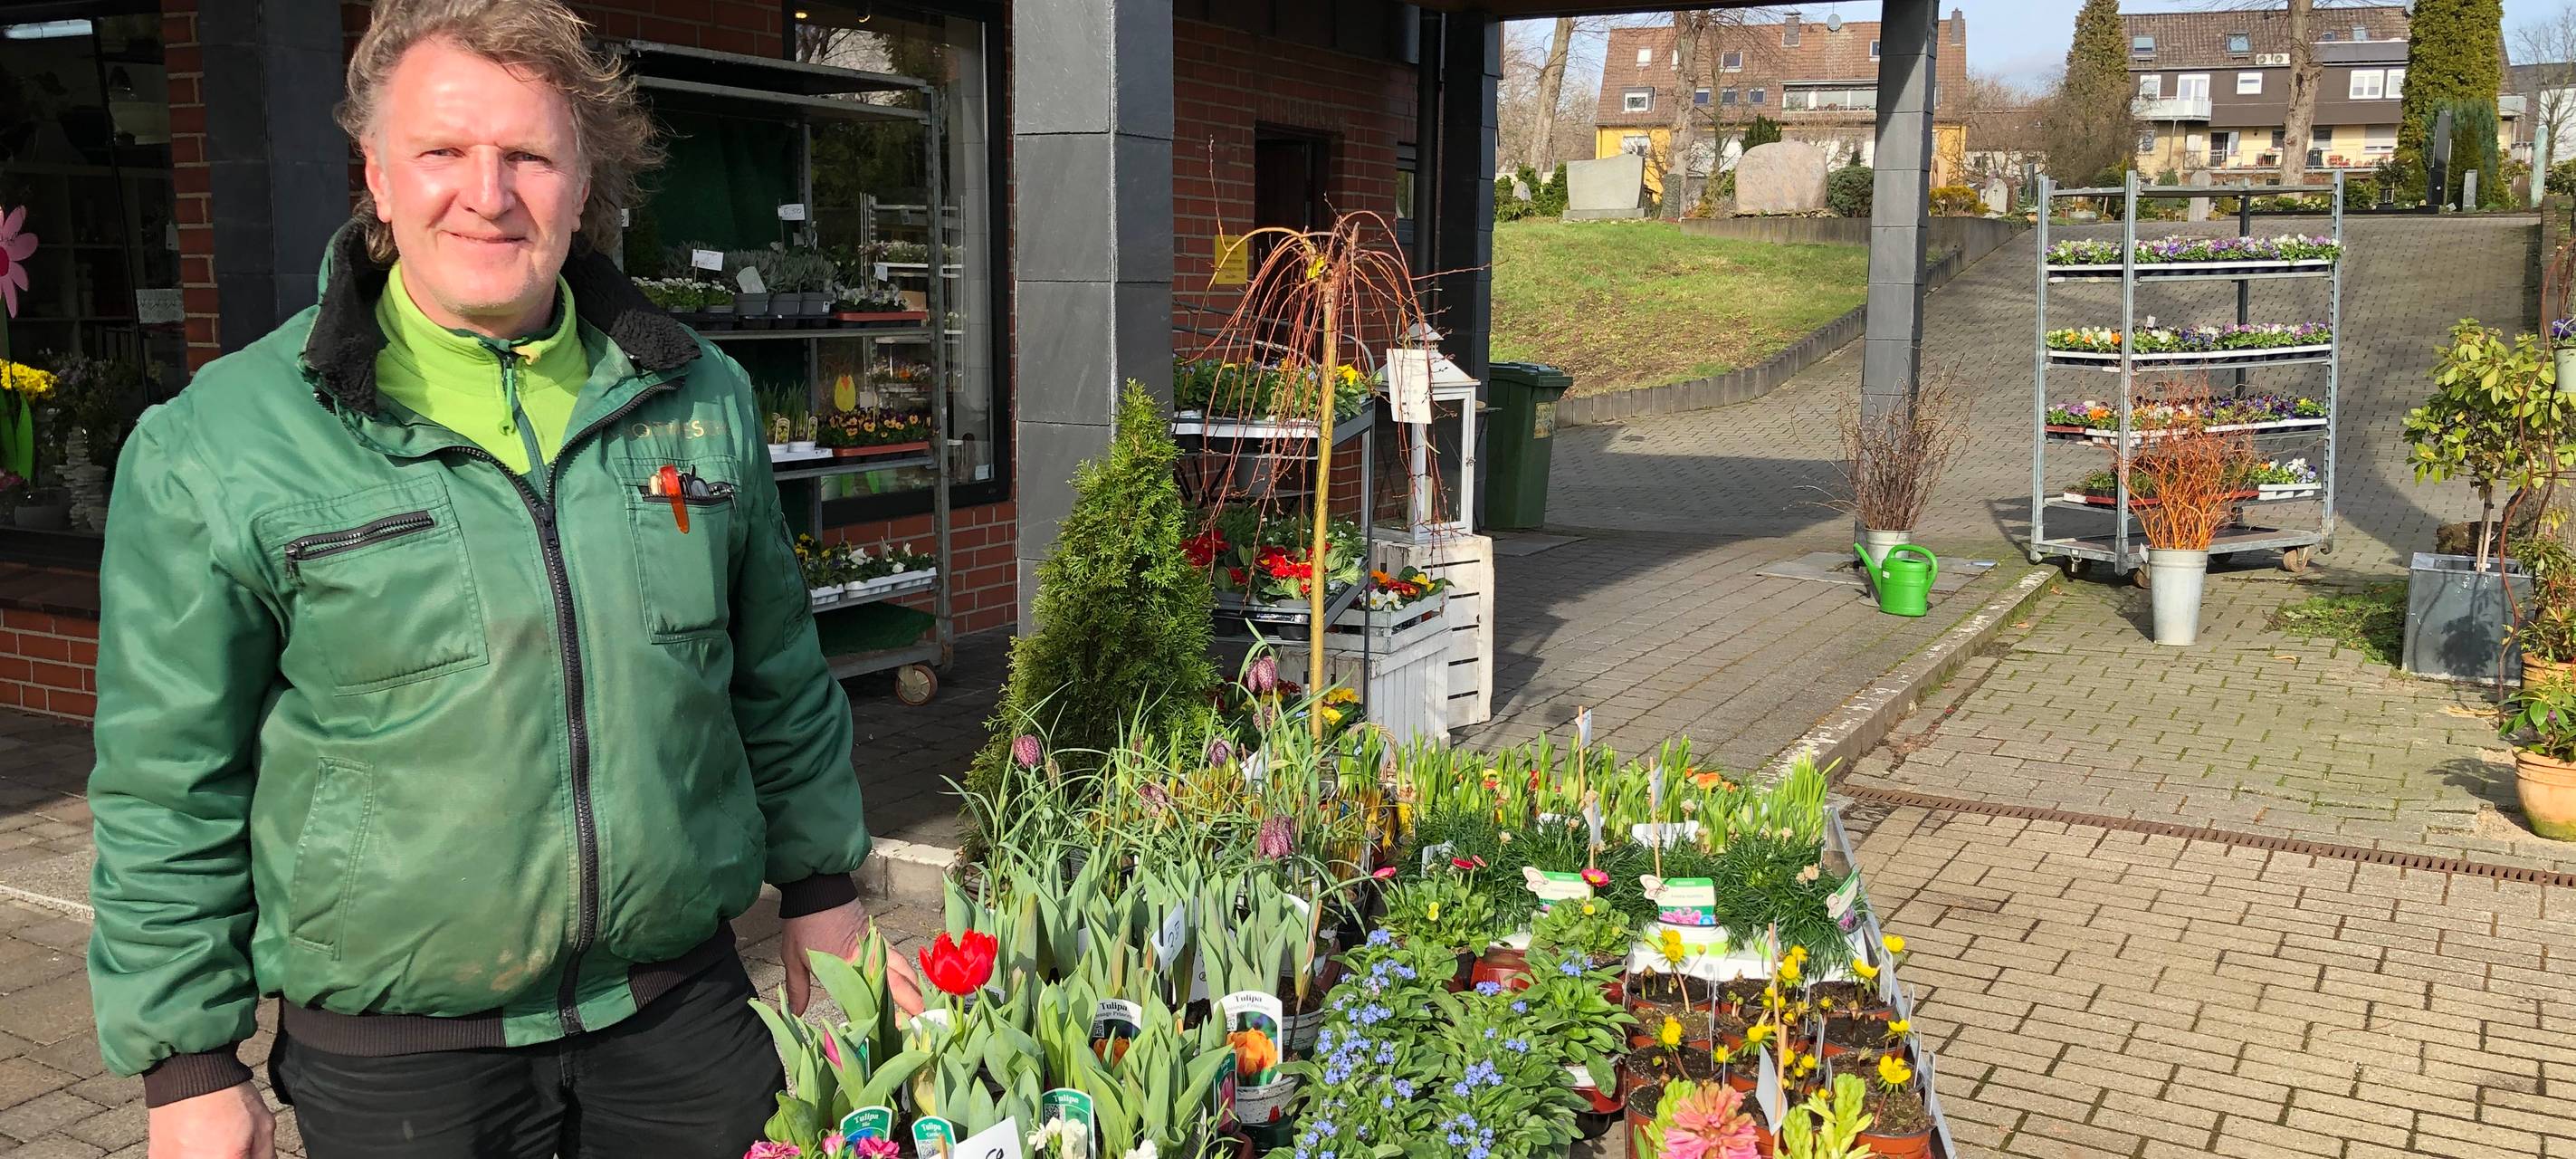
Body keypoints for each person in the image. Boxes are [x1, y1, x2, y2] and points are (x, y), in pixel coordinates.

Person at [85, 2, 920, 1154]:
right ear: (378, 176)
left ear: (585, 186)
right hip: (400, 1062)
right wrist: (187, 1062)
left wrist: (824, 888)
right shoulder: (220, 444)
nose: (487, 194)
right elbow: (167, 777)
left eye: (529, 154)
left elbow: (776, 675)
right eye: (442, 151)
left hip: (679, 1015)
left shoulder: (697, 397)